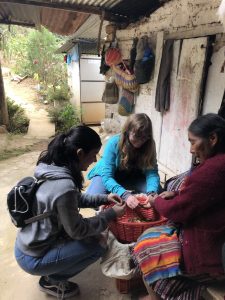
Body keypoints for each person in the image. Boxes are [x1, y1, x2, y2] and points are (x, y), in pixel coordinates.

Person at [14, 125, 125, 300]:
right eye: (93, 154)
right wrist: (110, 215)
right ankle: (52, 280)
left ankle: (53, 269)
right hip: (32, 257)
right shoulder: (63, 186)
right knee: (98, 244)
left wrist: (104, 199)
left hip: (27, 243)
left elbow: (73, 199)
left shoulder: (50, 168)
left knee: (91, 234)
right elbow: (78, 229)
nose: (95, 160)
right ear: (80, 153)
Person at [135, 113, 225, 299]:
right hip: (213, 234)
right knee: (149, 238)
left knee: (147, 247)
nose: (191, 150)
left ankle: (158, 295)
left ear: (213, 138)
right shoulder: (216, 164)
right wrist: (175, 194)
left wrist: (156, 200)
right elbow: (206, 195)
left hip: (211, 251)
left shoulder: (213, 169)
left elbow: (179, 211)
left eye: (193, 142)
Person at [87, 113, 160, 209]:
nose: (140, 141)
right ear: (128, 131)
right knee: (94, 200)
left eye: (144, 137)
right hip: (108, 175)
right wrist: (124, 194)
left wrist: (152, 192)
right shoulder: (114, 143)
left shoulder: (149, 144)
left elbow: (152, 172)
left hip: (132, 176)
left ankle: (135, 195)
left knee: (158, 196)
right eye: (136, 136)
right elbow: (107, 177)